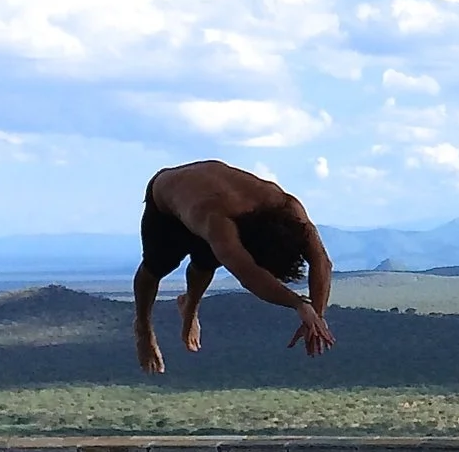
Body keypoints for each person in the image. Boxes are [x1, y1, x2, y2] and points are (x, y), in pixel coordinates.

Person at [134, 160, 334, 373]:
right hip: (166, 203)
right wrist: (300, 304)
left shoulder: (289, 208)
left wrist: (318, 315)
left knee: (206, 261)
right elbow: (250, 275)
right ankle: (143, 328)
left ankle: (189, 307)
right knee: (155, 268)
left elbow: (322, 262)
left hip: (207, 197)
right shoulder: (218, 223)